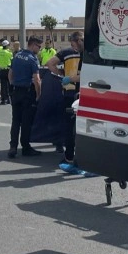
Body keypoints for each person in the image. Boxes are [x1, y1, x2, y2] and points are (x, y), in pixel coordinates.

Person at [46, 32, 85, 173]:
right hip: (82, 93)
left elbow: (49, 63)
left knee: (70, 127)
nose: (72, 46)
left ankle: (69, 157)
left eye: (73, 43)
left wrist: (64, 76)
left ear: (78, 40)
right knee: (79, 127)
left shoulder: (67, 53)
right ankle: (77, 156)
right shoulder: (88, 53)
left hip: (71, 93)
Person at [7, 36, 44, 158]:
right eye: (38, 46)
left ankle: (13, 147)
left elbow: (10, 74)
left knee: (16, 120)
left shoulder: (17, 55)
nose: (39, 49)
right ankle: (26, 147)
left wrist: (13, 86)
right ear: (33, 45)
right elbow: (37, 80)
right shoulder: (32, 59)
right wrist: (38, 95)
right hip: (27, 93)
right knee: (26, 122)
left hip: (16, 92)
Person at [0, 40, 13, 105]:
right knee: (9, 85)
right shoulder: (9, 52)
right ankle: (8, 99)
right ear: (7, 45)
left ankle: (3, 100)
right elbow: (12, 60)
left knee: (3, 85)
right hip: (8, 70)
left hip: (1, 70)